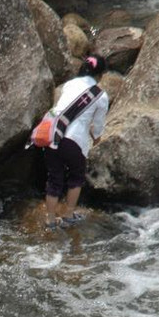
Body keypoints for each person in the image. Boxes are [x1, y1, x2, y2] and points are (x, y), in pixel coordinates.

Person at [43, 55, 109, 228]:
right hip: (75, 140)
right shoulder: (100, 96)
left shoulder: (69, 84)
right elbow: (98, 124)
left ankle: (50, 219)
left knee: (54, 178)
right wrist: (97, 137)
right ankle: (69, 214)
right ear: (100, 74)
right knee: (76, 177)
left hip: (52, 135)